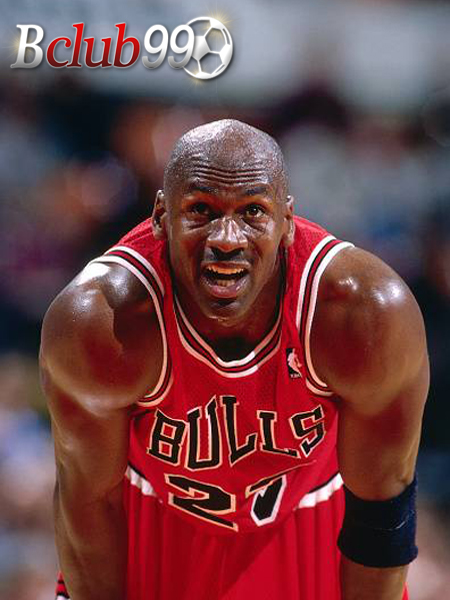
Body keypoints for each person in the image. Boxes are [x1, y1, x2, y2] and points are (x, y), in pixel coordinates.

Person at [40, 119, 429, 600]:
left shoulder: (364, 313)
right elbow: (89, 501)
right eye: (200, 210)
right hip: (149, 520)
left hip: (318, 523)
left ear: (287, 223)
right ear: (161, 217)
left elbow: (382, 508)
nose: (226, 238)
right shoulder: (101, 322)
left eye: (253, 212)